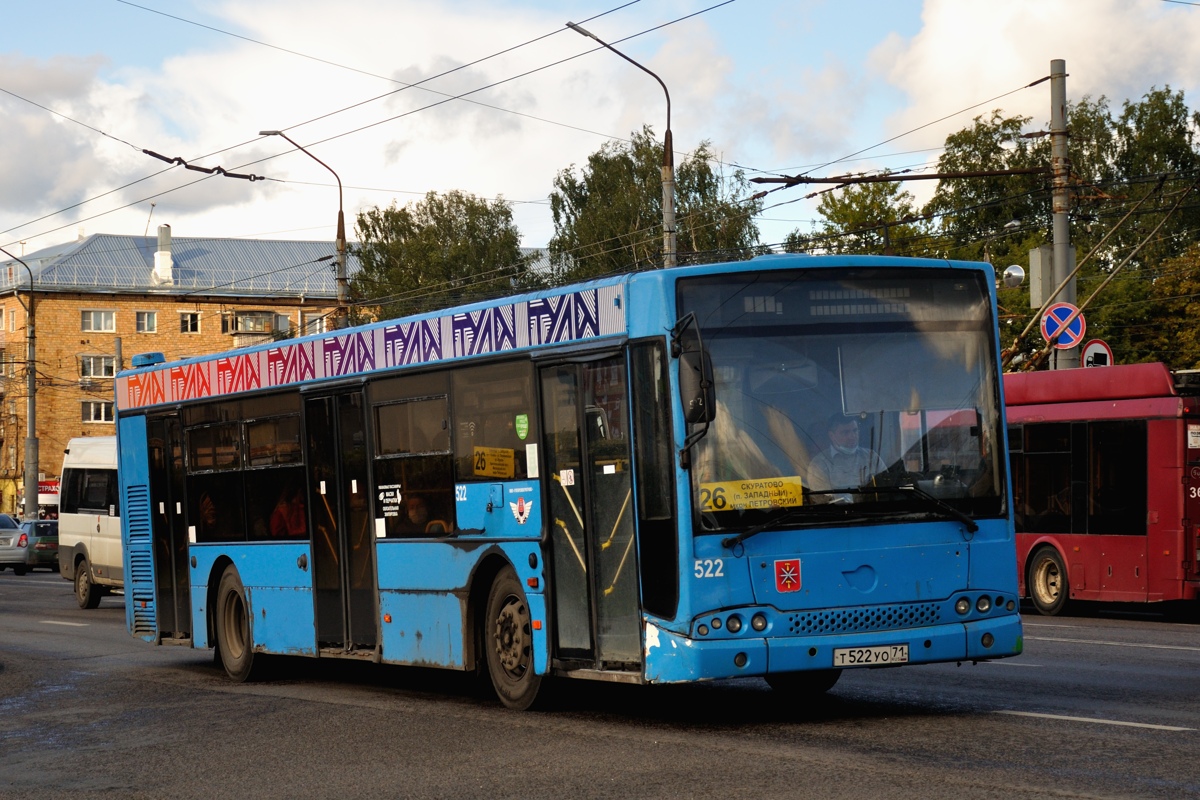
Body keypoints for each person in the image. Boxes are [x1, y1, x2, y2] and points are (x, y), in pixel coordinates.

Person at [806, 414, 886, 500]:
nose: (852, 437)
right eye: (845, 432)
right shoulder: (819, 464)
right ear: (832, 436)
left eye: (855, 431)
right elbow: (823, 501)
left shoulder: (871, 457)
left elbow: (887, 484)